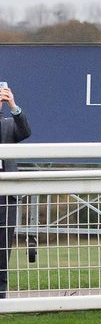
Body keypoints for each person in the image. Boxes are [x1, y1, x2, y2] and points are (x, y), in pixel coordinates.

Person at [0, 83, 30, 299]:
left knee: (2, 248)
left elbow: (25, 131)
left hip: (6, 195)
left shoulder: (9, 124)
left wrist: (12, 105)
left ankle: (1, 295)